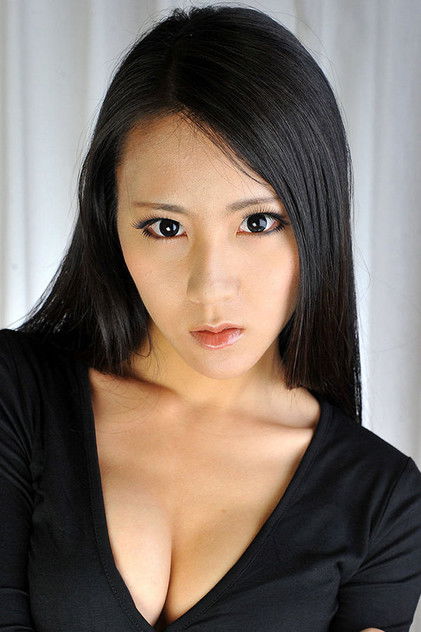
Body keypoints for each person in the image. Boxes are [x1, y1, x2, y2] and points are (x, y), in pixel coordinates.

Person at [0, 4, 420, 632]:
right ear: (110, 224)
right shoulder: (17, 394)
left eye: (258, 222)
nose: (210, 287)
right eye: (165, 227)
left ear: (319, 220)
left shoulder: (382, 501)